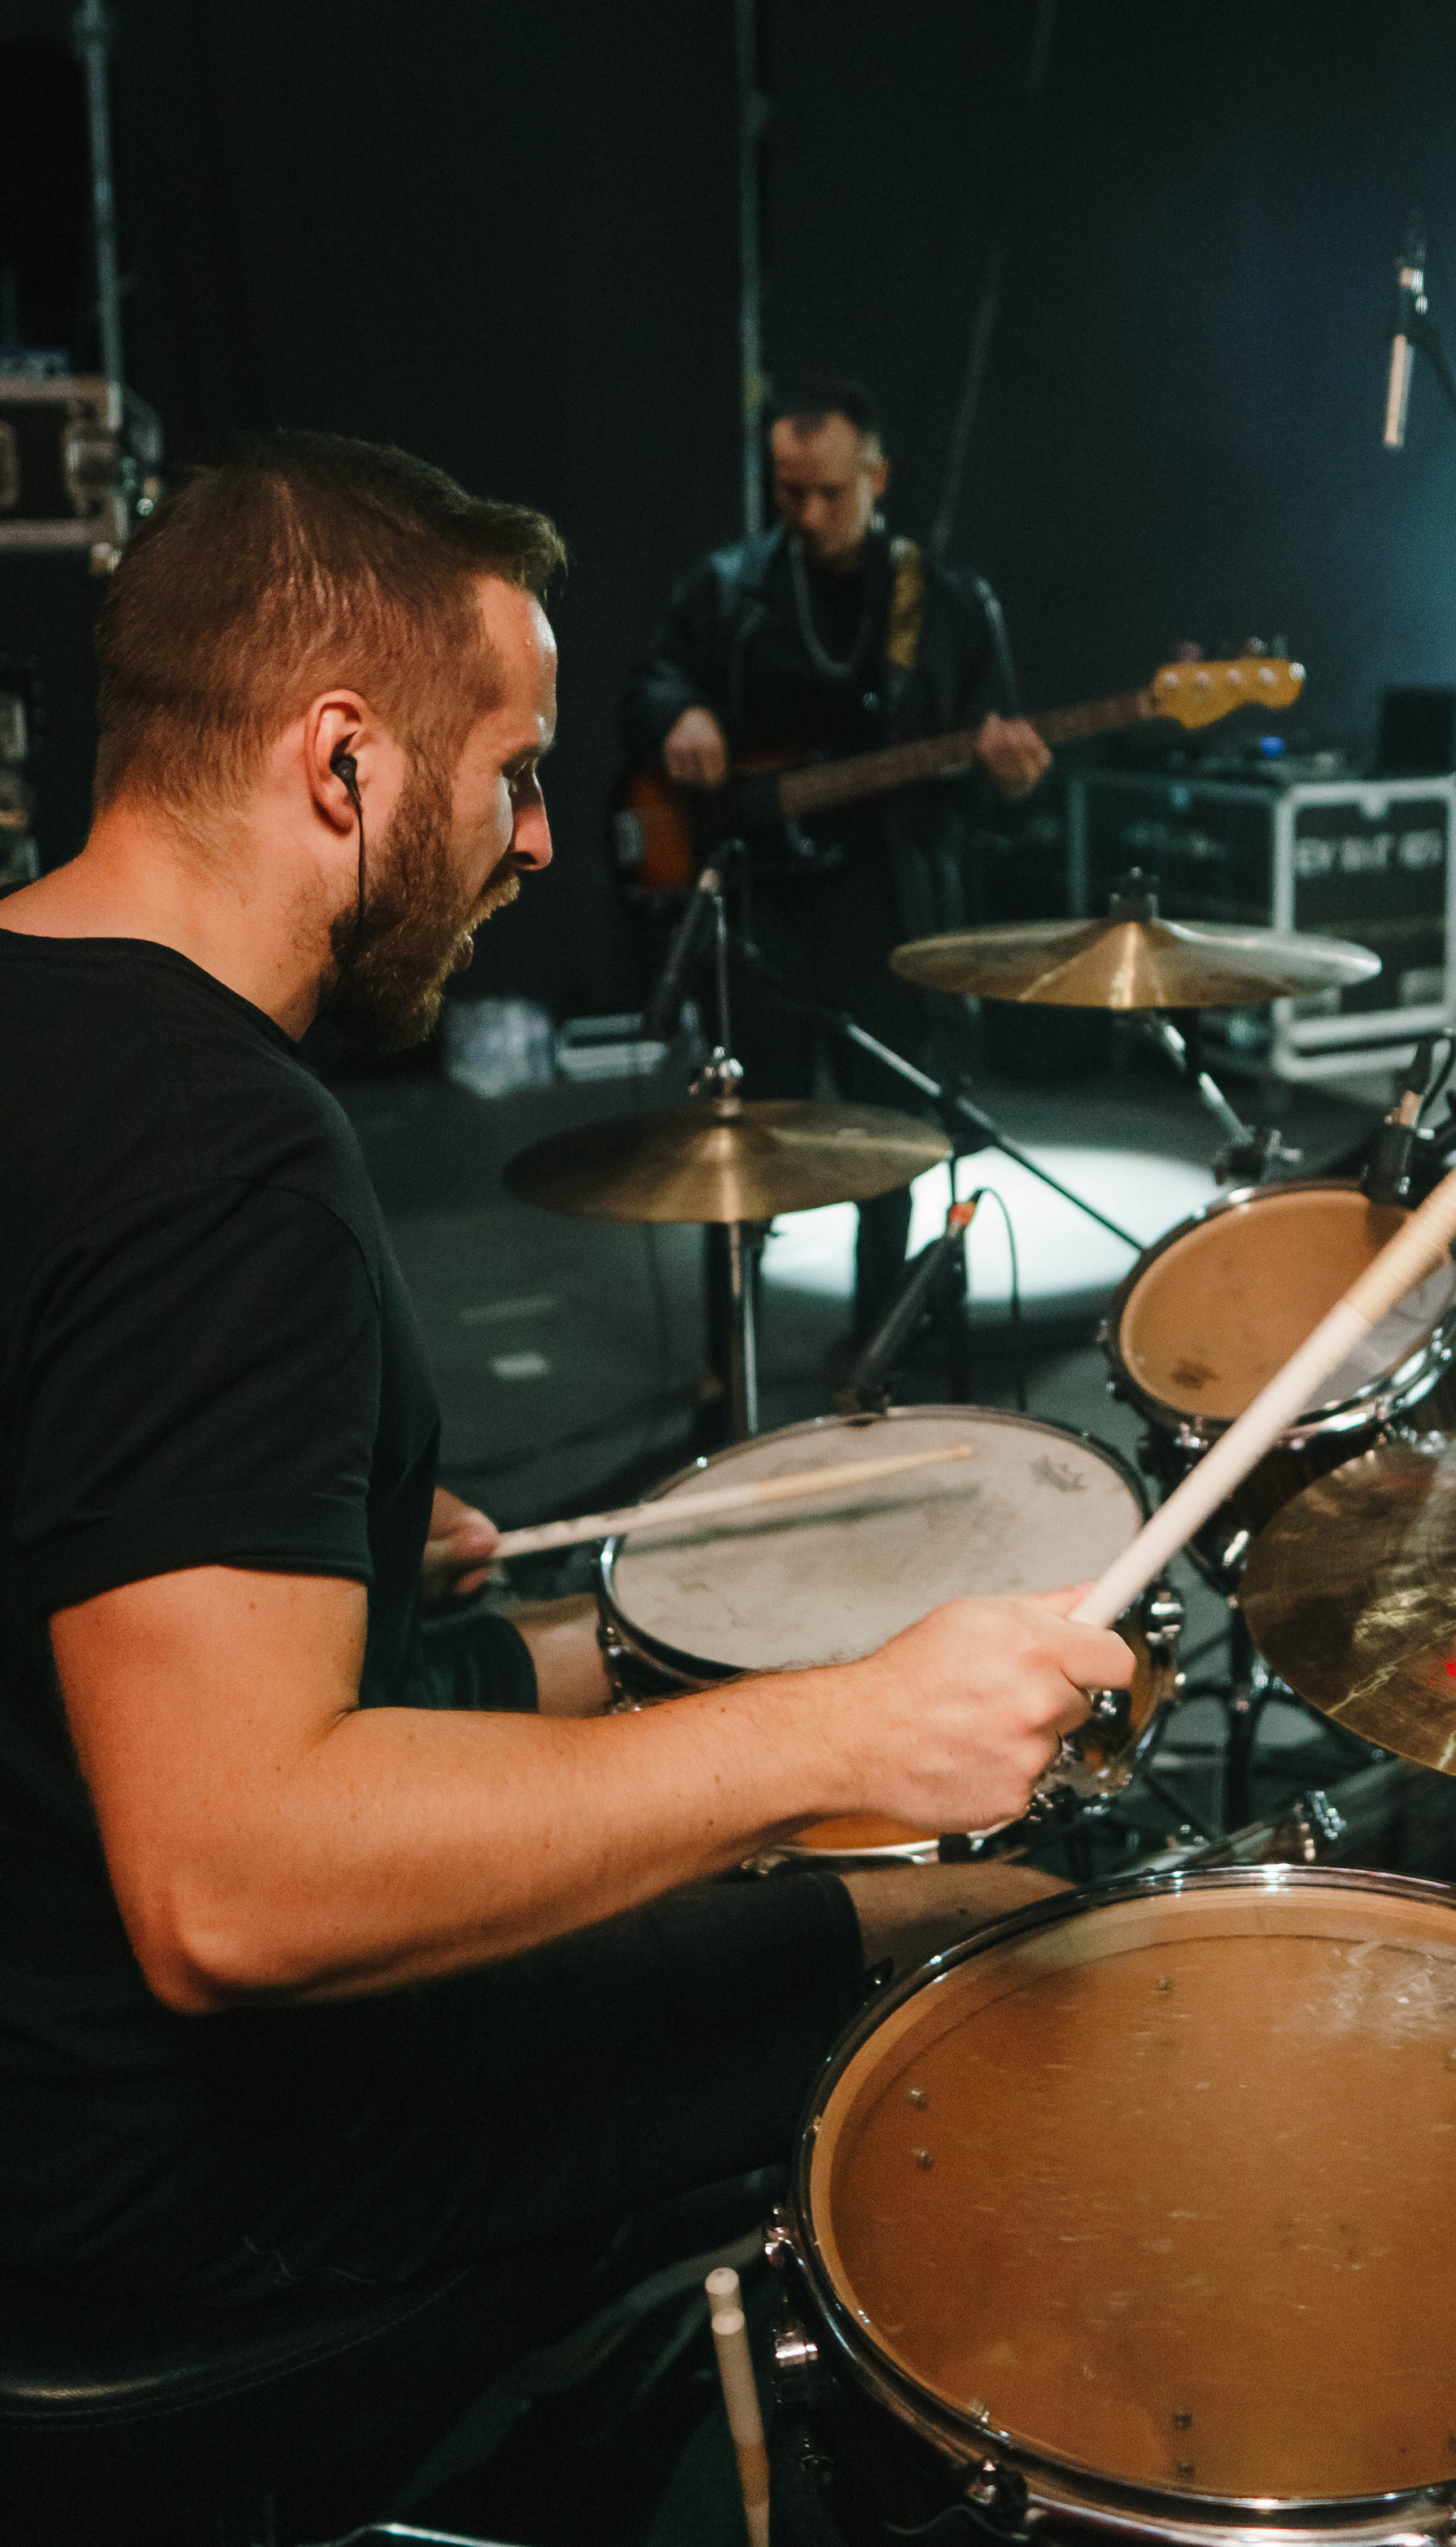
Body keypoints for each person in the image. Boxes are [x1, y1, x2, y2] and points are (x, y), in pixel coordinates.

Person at [0, 432, 1129, 2339]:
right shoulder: (221, 1157)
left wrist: (586, 1619)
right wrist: (840, 1733)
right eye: (511, 771)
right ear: (339, 758)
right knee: (969, 1940)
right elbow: (235, 1884)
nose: (537, 841)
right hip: (166, 2181)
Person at [619, 379, 1048, 1371]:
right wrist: (676, 711)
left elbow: (986, 782)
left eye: (827, 493)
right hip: (762, 916)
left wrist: (1011, 780)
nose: (805, 514)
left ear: (876, 476)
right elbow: (647, 678)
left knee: (888, 1145)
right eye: (786, 492)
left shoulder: (946, 606)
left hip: (887, 911)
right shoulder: (726, 588)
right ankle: (731, 1367)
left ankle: (878, 1351)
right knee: (747, 1143)